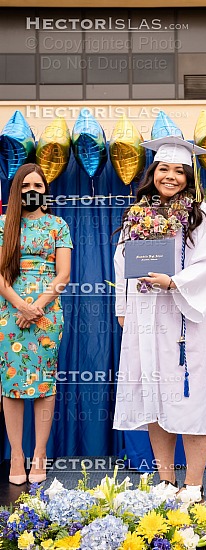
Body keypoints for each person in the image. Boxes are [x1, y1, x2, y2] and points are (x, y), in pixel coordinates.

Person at [113, 136, 206, 502]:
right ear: (153, 172)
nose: (171, 176)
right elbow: (121, 263)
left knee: (191, 399)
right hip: (145, 315)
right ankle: (165, 480)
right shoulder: (137, 215)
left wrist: (173, 281)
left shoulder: (204, 215)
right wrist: (123, 309)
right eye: (164, 168)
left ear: (190, 177)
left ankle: (193, 485)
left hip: (185, 319)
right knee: (154, 395)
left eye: (180, 170)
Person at [0, 163, 73, 485]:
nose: (33, 191)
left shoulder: (58, 224)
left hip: (47, 313)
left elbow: (64, 274)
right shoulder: (4, 225)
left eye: (38, 186)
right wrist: (19, 305)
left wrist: (37, 308)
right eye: (26, 186)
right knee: (11, 384)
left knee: (44, 384)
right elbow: (1, 275)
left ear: (45, 190)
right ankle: (17, 453)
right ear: (17, 190)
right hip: (9, 312)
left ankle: (40, 453)